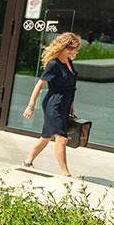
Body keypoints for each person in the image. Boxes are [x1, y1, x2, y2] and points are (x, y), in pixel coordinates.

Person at [21, 33, 83, 177]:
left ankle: (28, 160)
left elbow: (71, 87)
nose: (73, 52)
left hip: (65, 104)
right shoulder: (53, 64)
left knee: (46, 136)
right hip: (53, 104)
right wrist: (30, 106)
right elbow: (39, 85)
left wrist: (72, 105)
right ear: (62, 47)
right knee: (61, 138)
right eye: (71, 49)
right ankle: (65, 173)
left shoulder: (69, 62)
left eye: (75, 49)